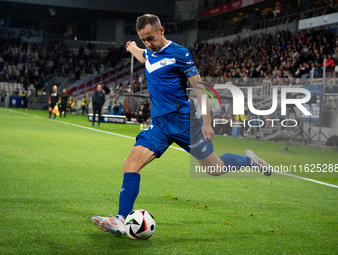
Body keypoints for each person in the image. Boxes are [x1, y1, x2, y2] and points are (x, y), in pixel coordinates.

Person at [92, 14, 272, 235]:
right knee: (130, 163)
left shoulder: (180, 53)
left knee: (215, 169)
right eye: (143, 39)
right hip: (159, 125)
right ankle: (121, 219)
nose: (148, 44)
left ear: (161, 31)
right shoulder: (149, 51)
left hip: (185, 122)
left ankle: (249, 160)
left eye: (150, 38)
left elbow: (199, 87)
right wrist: (132, 47)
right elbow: (143, 55)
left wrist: (206, 122)